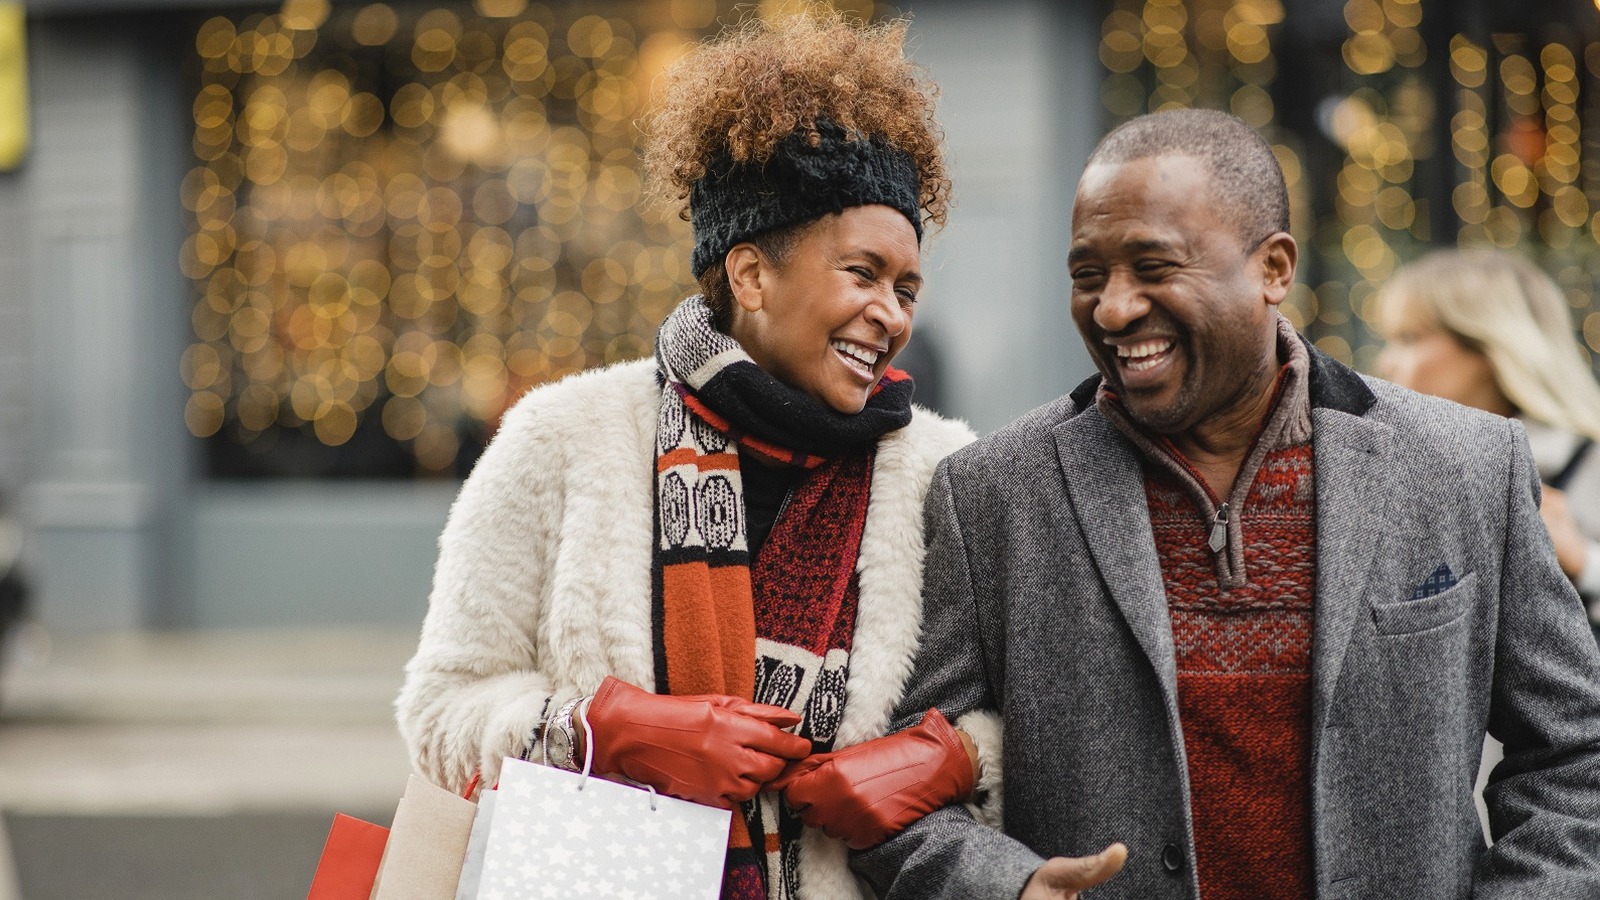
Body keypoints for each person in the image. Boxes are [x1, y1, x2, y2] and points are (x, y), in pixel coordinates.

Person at [852, 108, 1600, 900]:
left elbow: (1575, 753)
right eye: (1087, 276)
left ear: (1273, 268)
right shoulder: (994, 493)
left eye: (1154, 266)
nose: (1113, 309)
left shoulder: (1465, 467)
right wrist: (1010, 886)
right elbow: (892, 790)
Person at [395, 12, 997, 900]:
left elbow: (1027, 708)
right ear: (750, 276)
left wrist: (950, 758)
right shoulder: (562, 438)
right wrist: (612, 729)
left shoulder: (945, 471)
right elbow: (442, 710)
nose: (892, 314)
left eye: (905, 287)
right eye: (862, 274)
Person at [1374, 249, 1600, 627]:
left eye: (1409, 338)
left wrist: (1582, 561)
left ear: (1488, 346)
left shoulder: (1586, 462)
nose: (1385, 363)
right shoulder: (1396, 473)